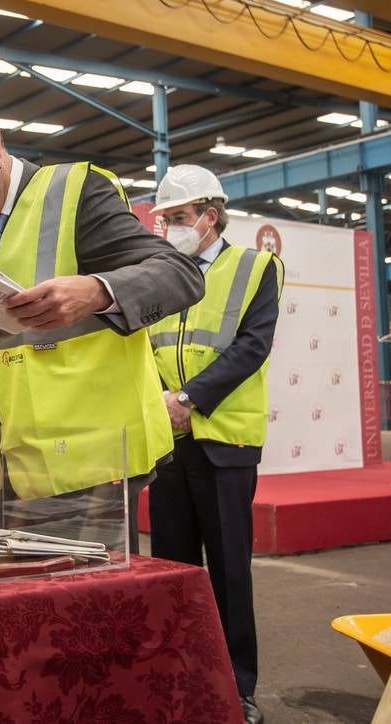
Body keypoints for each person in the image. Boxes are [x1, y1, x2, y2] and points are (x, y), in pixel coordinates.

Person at [0, 81, 204, 547]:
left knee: (86, 617)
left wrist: (98, 290)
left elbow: (180, 274)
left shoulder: (74, 192)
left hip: (89, 473)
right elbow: (4, 350)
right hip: (9, 476)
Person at [146, 164, 283, 724]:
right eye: (165, 220)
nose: (171, 228)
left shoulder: (256, 268)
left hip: (223, 442)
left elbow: (252, 346)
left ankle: (236, 688)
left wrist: (187, 399)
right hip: (166, 444)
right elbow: (139, 349)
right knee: (171, 570)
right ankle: (178, 680)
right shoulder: (156, 274)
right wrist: (158, 402)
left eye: (180, 218)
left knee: (229, 571)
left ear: (211, 215)